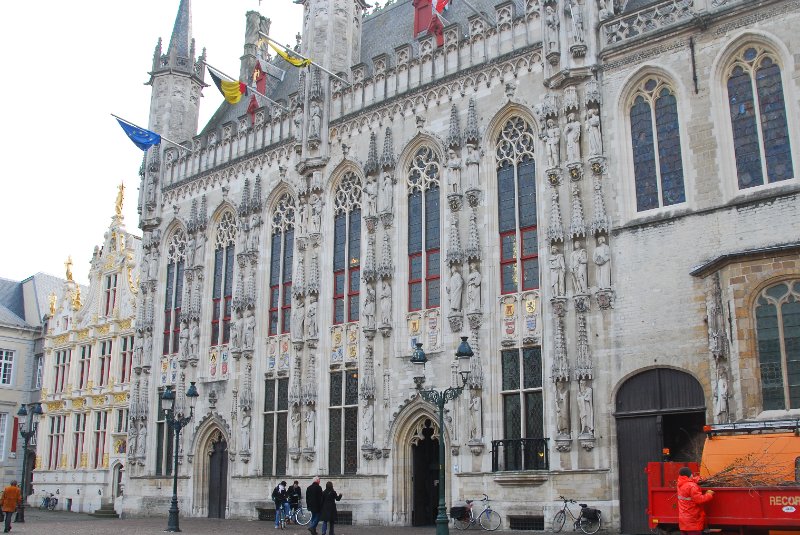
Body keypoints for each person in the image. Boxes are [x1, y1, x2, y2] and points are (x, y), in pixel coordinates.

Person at [677, 467, 714, 535]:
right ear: (690, 475)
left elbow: (690, 480)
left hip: (684, 521)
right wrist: (709, 494)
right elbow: (699, 499)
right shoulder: (692, 486)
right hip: (693, 521)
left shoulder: (680, 484)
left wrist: (699, 478)